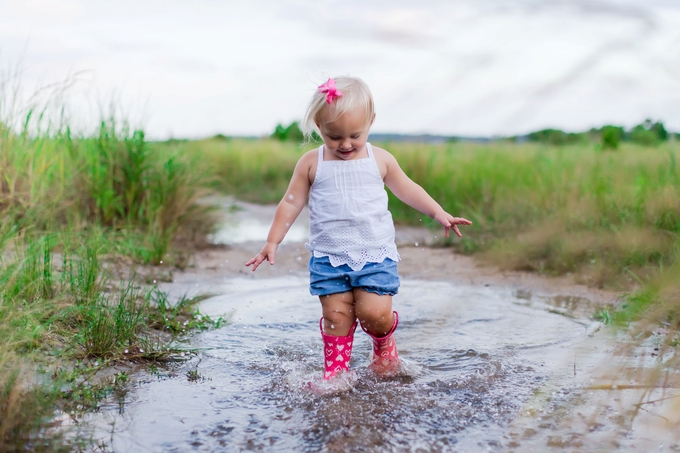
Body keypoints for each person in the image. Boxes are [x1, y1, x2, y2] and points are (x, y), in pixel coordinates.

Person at [246, 76, 471, 381]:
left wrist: (438, 213)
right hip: (329, 257)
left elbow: (407, 189)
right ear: (318, 126)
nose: (346, 144)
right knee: (336, 316)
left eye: (355, 135)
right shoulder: (312, 162)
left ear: (371, 122)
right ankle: (335, 374)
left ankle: (383, 343)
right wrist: (272, 242)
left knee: (374, 313)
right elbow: (290, 202)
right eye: (334, 136)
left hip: (375, 253)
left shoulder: (381, 159)